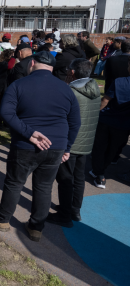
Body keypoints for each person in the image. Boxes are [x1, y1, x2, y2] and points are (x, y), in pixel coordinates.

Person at [0, 51, 80, 242]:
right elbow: (75, 122)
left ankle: (2, 219)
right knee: (44, 186)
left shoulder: (19, 84)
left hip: (25, 145)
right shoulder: (66, 89)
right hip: (55, 145)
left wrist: (30, 133)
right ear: (51, 68)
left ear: (32, 63)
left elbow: (5, 113)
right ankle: (36, 227)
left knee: (15, 182)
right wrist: (67, 147)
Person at [46, 59, 99, 227]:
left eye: (69, 70)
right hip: (86, 142)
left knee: (65, 178)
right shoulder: (95, 88)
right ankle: (74, 210)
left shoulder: (71, 92)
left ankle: (64, 215)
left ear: (73, 73)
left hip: (71, 142)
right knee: (78, 177)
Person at [89, 59, 130, 189]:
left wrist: (95, 115)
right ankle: (100, 171)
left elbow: (105, 100)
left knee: (99, 147)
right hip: (124, 124)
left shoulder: (119, 81)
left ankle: (99, 173)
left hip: (107, 119)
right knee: (113, 149)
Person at [0, 49, 13, 127]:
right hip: (2, 86)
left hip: (1, 86)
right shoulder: (4, 64)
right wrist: (14, 58)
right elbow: (10, 66)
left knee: (0, 105)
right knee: (0, 105)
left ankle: (0, 121)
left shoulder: (1, 63)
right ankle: (0, 122)